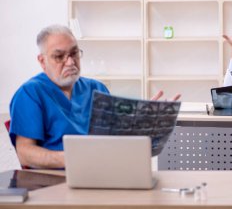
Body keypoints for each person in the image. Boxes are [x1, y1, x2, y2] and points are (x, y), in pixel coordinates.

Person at [9, 24, 180, 169]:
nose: (70, 62)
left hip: (103, 173)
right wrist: (77, 159)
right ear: (42, 61)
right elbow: (26, 154)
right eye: (59, 56)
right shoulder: (30, 93)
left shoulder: (96, 88)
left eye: (74, 53)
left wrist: (146, 125)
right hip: (56, 179)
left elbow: (115, 140)